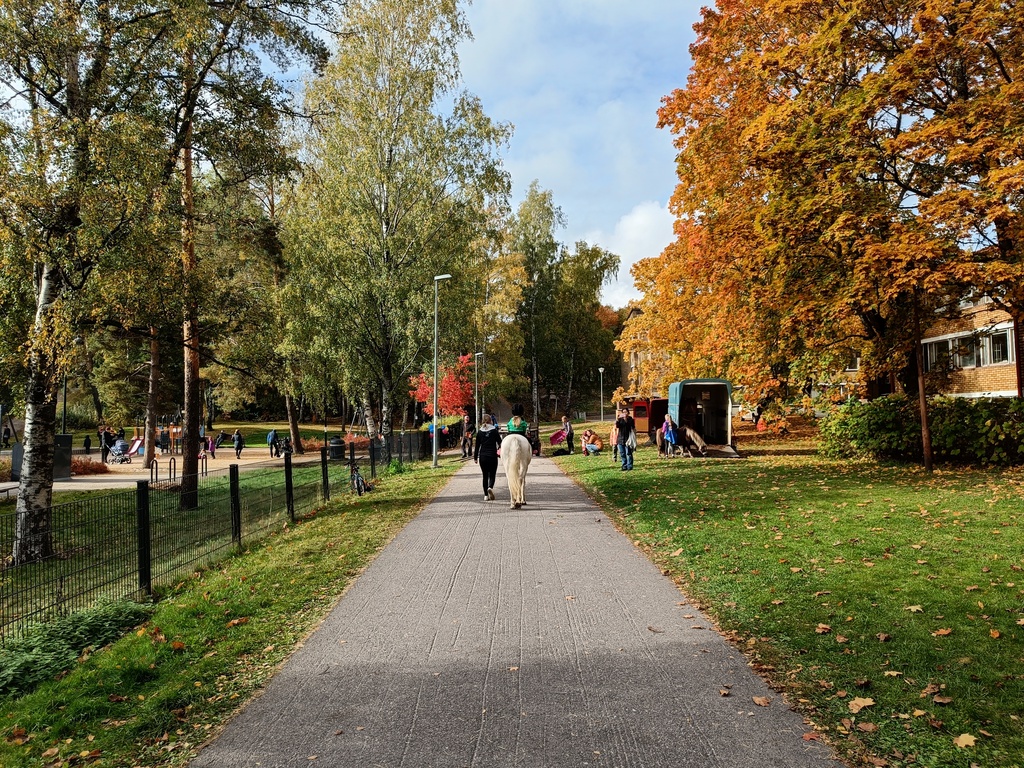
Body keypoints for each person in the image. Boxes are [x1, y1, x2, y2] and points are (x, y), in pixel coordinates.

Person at [474, 413, 501, 501]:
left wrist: (475, 457)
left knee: (485, 476)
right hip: (492, 455)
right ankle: (490, 487)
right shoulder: (494, 431)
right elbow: (500, 442)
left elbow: (477, 446)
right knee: (492, 474)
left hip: (483, 456)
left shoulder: (480, 432)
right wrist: (499, 450)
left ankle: (485, 495)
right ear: (490, 421)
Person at [616, 407, 636, 471]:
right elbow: (617, 426)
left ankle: (629, 466)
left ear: (628, 413)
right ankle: (624, 465)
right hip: (620, 438)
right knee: (622, 453)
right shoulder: (620, 419)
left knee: (628, 453)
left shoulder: (631, 419)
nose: (625, 413)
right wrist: (617, 419)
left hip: (628, 439)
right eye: (623, 412)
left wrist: (626, 420)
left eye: (626, 412)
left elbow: (631, 427)